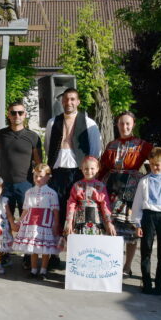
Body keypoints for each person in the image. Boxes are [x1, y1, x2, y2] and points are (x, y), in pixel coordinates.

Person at [98, 111, 152, 277]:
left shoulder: (143, 145)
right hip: (112, 188)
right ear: (117, 125)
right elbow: (103, 167)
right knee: (111, 226)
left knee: (130, 228)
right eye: (121, 123)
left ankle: (127, 266)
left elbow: (156, 162)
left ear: (133, 124)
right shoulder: (111, 145)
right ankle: (111, 263)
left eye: (128, 123)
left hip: (132, 189)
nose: (124, 127)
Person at [44, 88, 102, 225]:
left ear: (78, 102)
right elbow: (48, 147)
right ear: (62, 101)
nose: (68, 102)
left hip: (78, 172)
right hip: (58, 172)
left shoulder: (89, 123)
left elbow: (95, 152)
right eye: (66, 99)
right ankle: (58, 242)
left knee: (78, 209)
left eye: (72, 99)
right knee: (57, 210)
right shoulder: (52, 123)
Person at [130, 147, 161, 295]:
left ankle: (159, 284)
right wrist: (137, 223)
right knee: (146, 249)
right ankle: (146, 283)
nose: (154, 167)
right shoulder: (144, 181)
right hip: (148, 216)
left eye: (157, 164)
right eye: (151, 164)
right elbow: (137, 203)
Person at [12, 164, 60, 279]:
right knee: (33, 248)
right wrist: (19, 222)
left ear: (48, 177)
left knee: (44, 249)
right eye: (35, 176)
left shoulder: (51, 193)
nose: (38, 179)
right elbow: (25, 209)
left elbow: (55, 211)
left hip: (45, 224)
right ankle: (33, 270)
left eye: (41, 176)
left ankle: (43, 271)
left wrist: (56, 225)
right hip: (32, 223)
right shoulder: (29, 192)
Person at [0, 102, 42, 216]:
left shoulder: (33, 137)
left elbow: (39, 164)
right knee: (5, 221)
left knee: (26, 219)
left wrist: (38, 185)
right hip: (5, 185)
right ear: (8, 115)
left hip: (26, 184)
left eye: (20, 112)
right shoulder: (1, 135)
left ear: (25, 114)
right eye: (13, 112)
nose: (17, 115)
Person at [63, 157, 116, 237]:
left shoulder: (101, 186)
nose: (89, 171)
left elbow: (105, 205)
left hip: (97, 220)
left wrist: (109, 222)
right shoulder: (77, 185)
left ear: (97, 169)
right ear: (82, 169)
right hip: (79, 219)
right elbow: (71, 203)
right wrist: (69, 221)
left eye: (92, 168)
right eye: (86, 169)